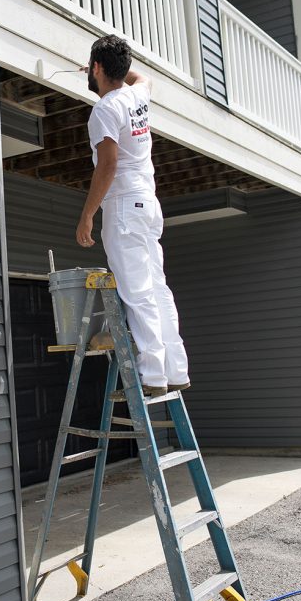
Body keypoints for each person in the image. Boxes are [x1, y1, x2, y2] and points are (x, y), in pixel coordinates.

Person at [76, 34, 190, 400]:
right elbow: (144, 79)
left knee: (138, 292)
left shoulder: (104, 110)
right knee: (156, 288)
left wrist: (87, 215)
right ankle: (175, 369)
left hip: (124, 205)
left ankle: (152, 375)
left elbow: (107, 166)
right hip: (147, 204)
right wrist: (116, 68)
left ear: (96, 69)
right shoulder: (135, 95)